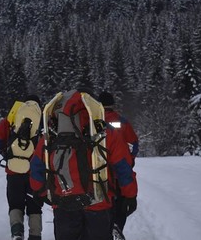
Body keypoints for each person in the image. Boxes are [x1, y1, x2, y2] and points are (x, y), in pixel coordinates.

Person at [30, 89, 138, 240]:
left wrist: (40, 192)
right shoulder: (104, 131)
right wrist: (130, 195)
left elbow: (36, 166)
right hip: (98, 203)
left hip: (63, 204)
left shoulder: (52, 135)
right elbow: (123, 166)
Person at [0, 95, 43, 240]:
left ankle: (17, 233)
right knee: (35, 207)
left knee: (15, 205)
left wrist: (6, 152)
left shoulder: (12, 118)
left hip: (14, 172)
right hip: (35, 174)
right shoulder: (42, 121)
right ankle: (35, 235)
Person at [98, 91, 139, 237]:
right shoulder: (121, 121)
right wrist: (130, 159)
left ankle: (107, 227)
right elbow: (133, 144)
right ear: (112, 104)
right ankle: (117, 226)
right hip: (119, 170)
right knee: (122, 204)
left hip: (99, 172)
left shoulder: (92, 122)